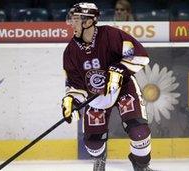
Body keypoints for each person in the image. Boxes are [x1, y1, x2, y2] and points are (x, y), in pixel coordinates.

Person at [61, 2, 153, 171]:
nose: (71, 24)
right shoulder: (70, 52)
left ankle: (141, 165)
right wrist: (71, 100)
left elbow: (140, 56)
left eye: (75, 19)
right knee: (93, 143)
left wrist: (120, 69)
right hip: (95, 97)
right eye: (71, 19)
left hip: (123, 87)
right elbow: (75, 85)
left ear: (88, 21)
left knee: (138, 130)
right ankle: (100, 156)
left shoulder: (111, 35)